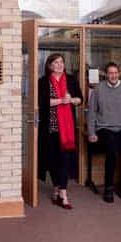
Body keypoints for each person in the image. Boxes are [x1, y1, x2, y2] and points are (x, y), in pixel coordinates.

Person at [87, 62, 121, 203]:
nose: (113, 75)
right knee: (112, 152)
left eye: (115, 73)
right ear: (106, 74)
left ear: (119, 74)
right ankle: (108, 189)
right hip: (104, 128)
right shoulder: (98, 88)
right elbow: (91, 112)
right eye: (110, 73)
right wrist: (92, 132)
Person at [38, 53, 83, 210]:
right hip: (50, 128)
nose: (59, 65)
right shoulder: (43, 82)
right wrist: (60, 101)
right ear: (49, 65)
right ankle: (56, 187)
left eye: (61, 62)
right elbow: (41, 103)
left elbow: (80, 99)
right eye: (55, 62)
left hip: (67, 129)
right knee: (52, 160)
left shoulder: (71, 79)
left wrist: (70, 100)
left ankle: (63, 193)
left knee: (64, 160)